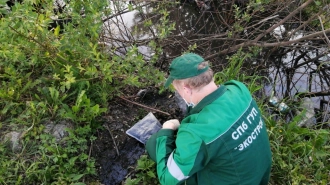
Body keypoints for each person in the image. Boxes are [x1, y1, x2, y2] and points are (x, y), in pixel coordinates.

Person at [145, 53, 272, 185]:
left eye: (178, 91)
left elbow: (168, 179)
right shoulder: (238, 89)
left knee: (154, 143)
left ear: (186, 88)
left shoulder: (196, 130)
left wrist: (167, 130)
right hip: (259, 176)